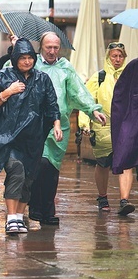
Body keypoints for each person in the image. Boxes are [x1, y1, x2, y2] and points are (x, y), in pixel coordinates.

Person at [0, 39, 61, 235]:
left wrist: (57, 125)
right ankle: (11, 217)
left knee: (29, 178)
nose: (27, 61)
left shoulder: (42, 79)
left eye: (30, 57)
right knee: (17, 171)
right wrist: (8, 92)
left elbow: (51, 105)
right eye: (22, 58)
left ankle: (19, 217)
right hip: (8, 138)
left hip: (34, 139)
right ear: (14, 59)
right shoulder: (2, 77)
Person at [29, 32, 107, 225]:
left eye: (56, 47)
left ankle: (47, 211)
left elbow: (78, 91)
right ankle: (36, 206)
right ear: (41, 47)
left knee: (52, 169)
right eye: (49, 47)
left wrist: (92, 109)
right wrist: (17, 49)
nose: (53, 51)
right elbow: (11, 70)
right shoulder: (33, 64)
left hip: (59, 127)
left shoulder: (65, 67)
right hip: (35, 126)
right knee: (40, 165)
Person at [78, 42, 129, 213]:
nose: (118, 59)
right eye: (114, 56)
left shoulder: (129, 77)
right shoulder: (98, 77)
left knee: (126, 162)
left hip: (125, 127)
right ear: (108, 57)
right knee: (103, 163)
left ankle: (124, 200)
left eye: (121, 56)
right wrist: (84, 122)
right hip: (103, 127)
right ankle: (102, 196)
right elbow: (87, 101)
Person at [110, 55, 138, 216]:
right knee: (125, 157)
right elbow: (120, 95)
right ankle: (124, 200)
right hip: (131, 118)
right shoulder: (133, 66)